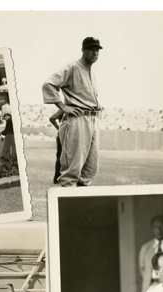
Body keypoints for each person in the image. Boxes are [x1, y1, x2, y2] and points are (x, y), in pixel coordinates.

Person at [42, 36, 102, 187]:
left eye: (97, 50)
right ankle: (67, 208)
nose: (95, 53)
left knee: (90, 169)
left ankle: (81, 206)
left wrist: (96, 104)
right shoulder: (72, 67)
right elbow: (48, 84)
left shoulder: (91, 73)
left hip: (92, 119)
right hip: (77, 119)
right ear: (83, 50)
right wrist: (62, 106)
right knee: (72, 170)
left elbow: (82, 94)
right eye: (91, 49)